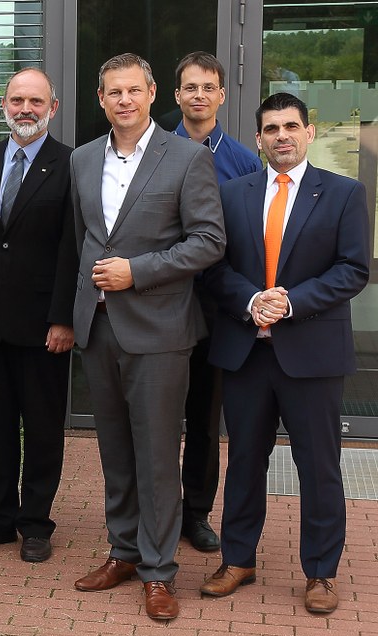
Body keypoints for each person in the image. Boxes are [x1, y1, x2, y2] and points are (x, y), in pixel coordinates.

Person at [199, 93, 369, 615]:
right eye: (271, 128)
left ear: (309, 132)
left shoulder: (343, 193)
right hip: (247, 352)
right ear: (258, 138)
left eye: (291, 126)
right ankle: (238, 559)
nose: (282, 136)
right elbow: (214, 267)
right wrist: (252, 301)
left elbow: (352, 269)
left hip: (312, 353)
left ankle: (321, 573)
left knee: (318, 467)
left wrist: (291, 302)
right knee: (245, 461)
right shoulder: (232, 194)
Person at [69, 53, 224, 621]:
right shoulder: (84, 160)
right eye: (114, 92)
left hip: (160, 329)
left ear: (153, 93)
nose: (124, 101)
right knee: (114, 452)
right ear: (101, 98)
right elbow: (83, 238)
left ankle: (160, 572)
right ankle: (124, 552)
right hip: (99, 326)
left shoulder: (185, 159)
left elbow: (209, 240)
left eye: (134, 90)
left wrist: (139, 270)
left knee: (158, 455)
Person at [0, 68, 77, 564]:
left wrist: (63, 317)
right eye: (16, 99)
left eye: (35, 101)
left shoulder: (72, 165)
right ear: (3, 104)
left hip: (44, 324)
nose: (25, 109)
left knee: (43, 428)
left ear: (53, 106)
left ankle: (36, 523)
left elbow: (73, 247)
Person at [171, 51, 263, 554]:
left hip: (216, 309)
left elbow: (249, 242)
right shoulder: (154, 147)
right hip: (161, 303)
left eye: (209, 87)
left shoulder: (245, 163)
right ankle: (157, 513)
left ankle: (196, 514)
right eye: (191, 87)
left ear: (222, 95)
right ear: (177, 94)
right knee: (160, 417)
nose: (199, 95)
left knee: (205, 420)